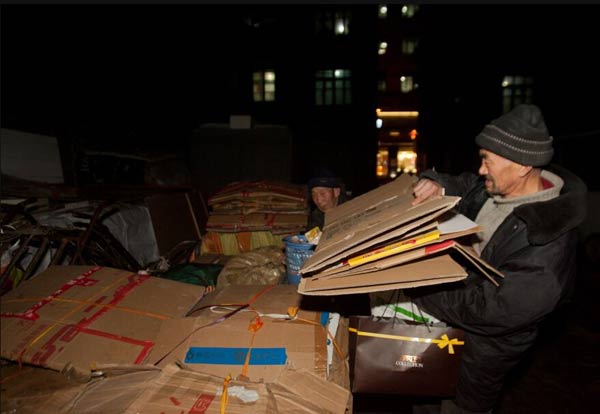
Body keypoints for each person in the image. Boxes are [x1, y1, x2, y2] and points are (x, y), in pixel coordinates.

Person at [409, 104, 587, 414]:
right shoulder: (500, 186)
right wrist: (441, 184)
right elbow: (469, 185)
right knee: (422, 399)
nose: (480, 170)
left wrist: (419, 288)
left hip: (477, 358)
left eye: (487, 161)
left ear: (521, 166)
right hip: (444, 330)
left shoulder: (548, 243)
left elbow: (489, 310)